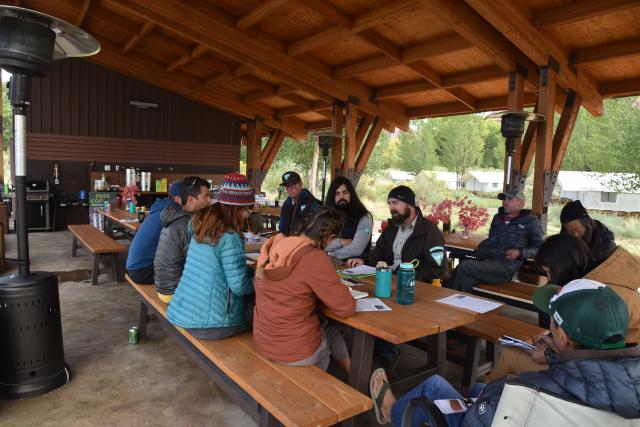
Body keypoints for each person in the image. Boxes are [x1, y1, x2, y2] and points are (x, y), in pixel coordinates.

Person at [370, 279, 640, 426]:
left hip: (501, 415)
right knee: (476, 387)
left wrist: (485, 397)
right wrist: (551, 355)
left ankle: (392, 410)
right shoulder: (631, 384)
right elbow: (592, 382)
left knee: (435, 386)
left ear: (565, 337)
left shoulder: (525, 389)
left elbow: (481, 417)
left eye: (552, 322)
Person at [486, 233, 640, 381]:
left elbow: (597, 358)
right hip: (615, 370)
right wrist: (554, 345)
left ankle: (478, 401)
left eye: (548, 272)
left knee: (509, 356)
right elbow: (591, 346)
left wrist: (550, 357)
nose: (549, 279)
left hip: (605, 377)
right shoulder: (600, 284)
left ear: (561, 267)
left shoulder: (597, 298)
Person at [253, 208, 356, 372]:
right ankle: (351, 381)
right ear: (329, 238)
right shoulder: (315, 258)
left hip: (264, 342)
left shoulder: (275, 244)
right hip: (296, 351)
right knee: (332, 331)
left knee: (326, 327)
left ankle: (352, 376)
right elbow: (346, 308)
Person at [166, 173, 255, 340]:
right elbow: (239, 287)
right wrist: (260, 278)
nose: (248, 216)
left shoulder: (202, 224)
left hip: (184, 313)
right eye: (248, 210)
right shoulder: (229, 236)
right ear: (238, 209)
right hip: (212, 324)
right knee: (262, 306)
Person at [446, 188, 544, 292]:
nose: (505, 202)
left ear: (520, 203)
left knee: (464, 266)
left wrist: (520, 253)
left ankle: (444, 296)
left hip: (505, 268)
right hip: (487, 263)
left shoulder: (531, 222)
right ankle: (458, 305)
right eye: (504, 199)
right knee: (465, 281)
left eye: (509, 199)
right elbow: (492, 239)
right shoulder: (498, 218)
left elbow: (540, 249)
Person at [347, 185, 446, 283]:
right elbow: (378, 253)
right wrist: (364, 260)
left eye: (395, 203)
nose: (391, 207)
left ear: (410, 204)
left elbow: (437, 270)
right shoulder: (392, 228)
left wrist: (404, 276)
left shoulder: (429, 231)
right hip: (387, 282)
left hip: (413, 288)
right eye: (389, 204)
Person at [154, 176, 211, 303]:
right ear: (190, 199)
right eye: (206, 196)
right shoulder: (186, 223)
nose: (209, 200)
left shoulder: (176, 216)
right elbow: (198, 262)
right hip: (174, 292)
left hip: (164, 286)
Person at [125, 181, 184, 284]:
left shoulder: (162, 208)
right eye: (191, 197)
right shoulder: (172, 214)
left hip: (135, 266)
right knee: (191, 270)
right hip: (143, 271)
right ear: (178, 198)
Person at [323, 176, 373, 260]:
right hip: (330, 263)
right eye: (337, 193)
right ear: (332, 197)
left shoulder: (364, 217)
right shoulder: (327, 215)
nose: (341, 197)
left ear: (351, 194)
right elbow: (319, 244)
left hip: (356, 266)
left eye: (345, 192)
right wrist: (341, 242)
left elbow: (356, 249)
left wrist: (331, 254)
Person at [560, 199, 616, 269]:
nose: (575, 235)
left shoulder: (606, 244)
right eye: (570, 231)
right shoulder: (566, 239)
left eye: (577, 230)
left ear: (587, 224)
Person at [278, 171, 321, 235]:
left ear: (300, 184)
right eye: (286, 186)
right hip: (287, 241)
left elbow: (317, 230)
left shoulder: (312, 204)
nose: (289, 189)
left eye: (292, 185)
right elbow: (282, 228)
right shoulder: (286, 204)